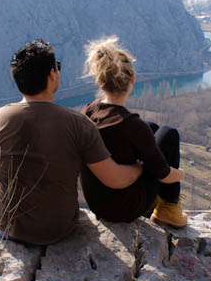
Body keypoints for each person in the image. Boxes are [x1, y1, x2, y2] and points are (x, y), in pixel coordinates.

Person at [0, 39, 142, 245]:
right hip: (60, 229)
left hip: (6, 229)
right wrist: (140, 168)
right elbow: (114, 179)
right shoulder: (79, 124)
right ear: (52, 74)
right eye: (58, 67)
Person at [80, 36, 188, 228]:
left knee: (152, 128)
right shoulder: (131, 125)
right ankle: (168, 209)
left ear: (99, 80)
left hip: (97, 203)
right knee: (169, 134)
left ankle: (156, 205)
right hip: (124, 208)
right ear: (133, 79)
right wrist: (181, 174)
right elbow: (164, 174)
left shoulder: (89, 112)